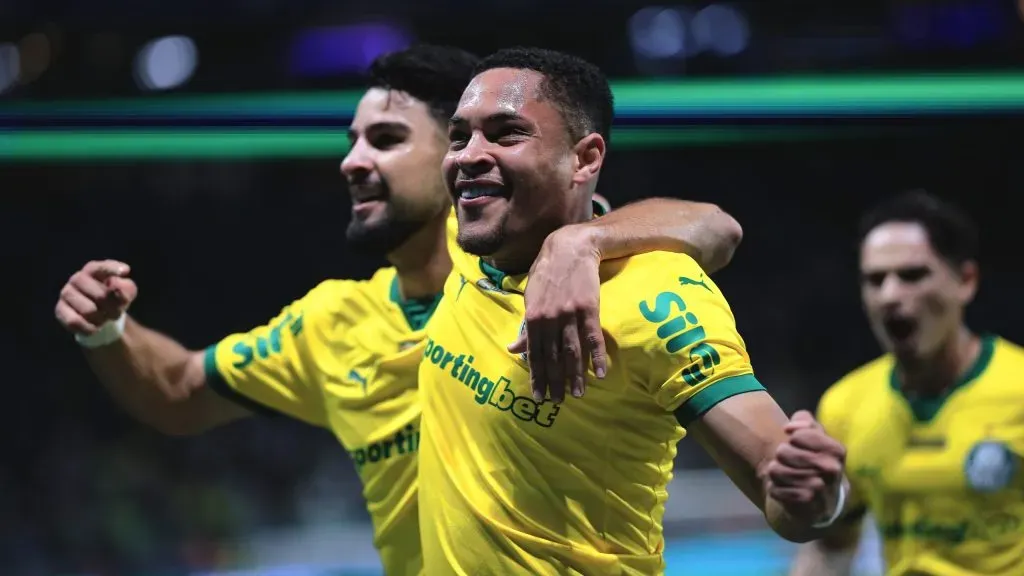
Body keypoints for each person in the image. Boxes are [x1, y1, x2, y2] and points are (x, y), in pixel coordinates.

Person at [53, 45, 745, 575]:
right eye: (351, 141)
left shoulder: (542, 273)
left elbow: (711, 224)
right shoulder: (333, 324)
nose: (352, 162)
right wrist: (108, 331)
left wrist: (580, 241)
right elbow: (178, 392)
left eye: (385, 140)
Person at [417, 46, 848, 575]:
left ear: (585, 159)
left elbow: (778, 486)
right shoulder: (466, 238)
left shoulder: (652, 293)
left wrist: (816, 496)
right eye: (460, 136)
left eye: (507, 134)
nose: (469, 155)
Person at [790, 191, 1024, 576]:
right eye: (875, 280)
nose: (890, 295)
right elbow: (832, 548)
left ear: (966, 281)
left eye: (912, 275)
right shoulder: (846, 404)